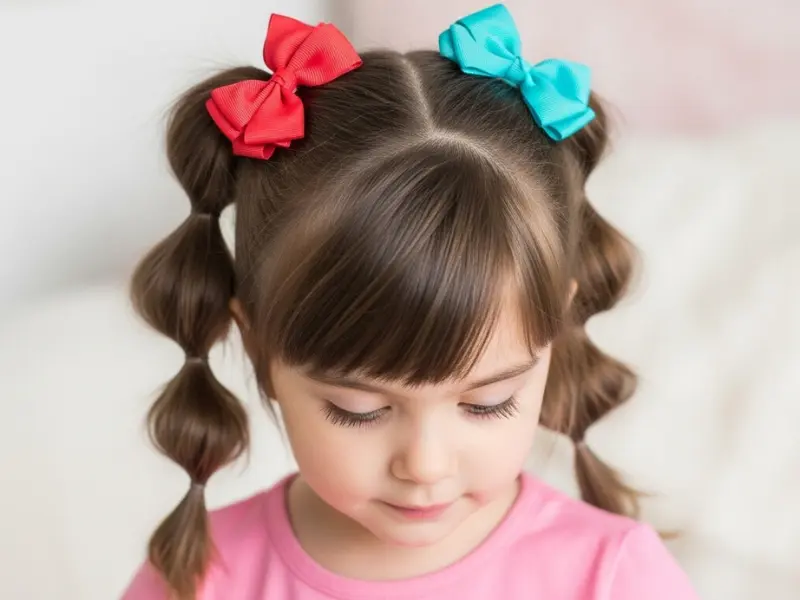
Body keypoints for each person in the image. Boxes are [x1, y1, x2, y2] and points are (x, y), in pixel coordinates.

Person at [122, 4, 698, 599]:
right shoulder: (196, 579)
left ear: (554, 335)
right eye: (359, 409)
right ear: (256, 344)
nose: (424, 466)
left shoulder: (612, 576)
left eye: (488, 403)